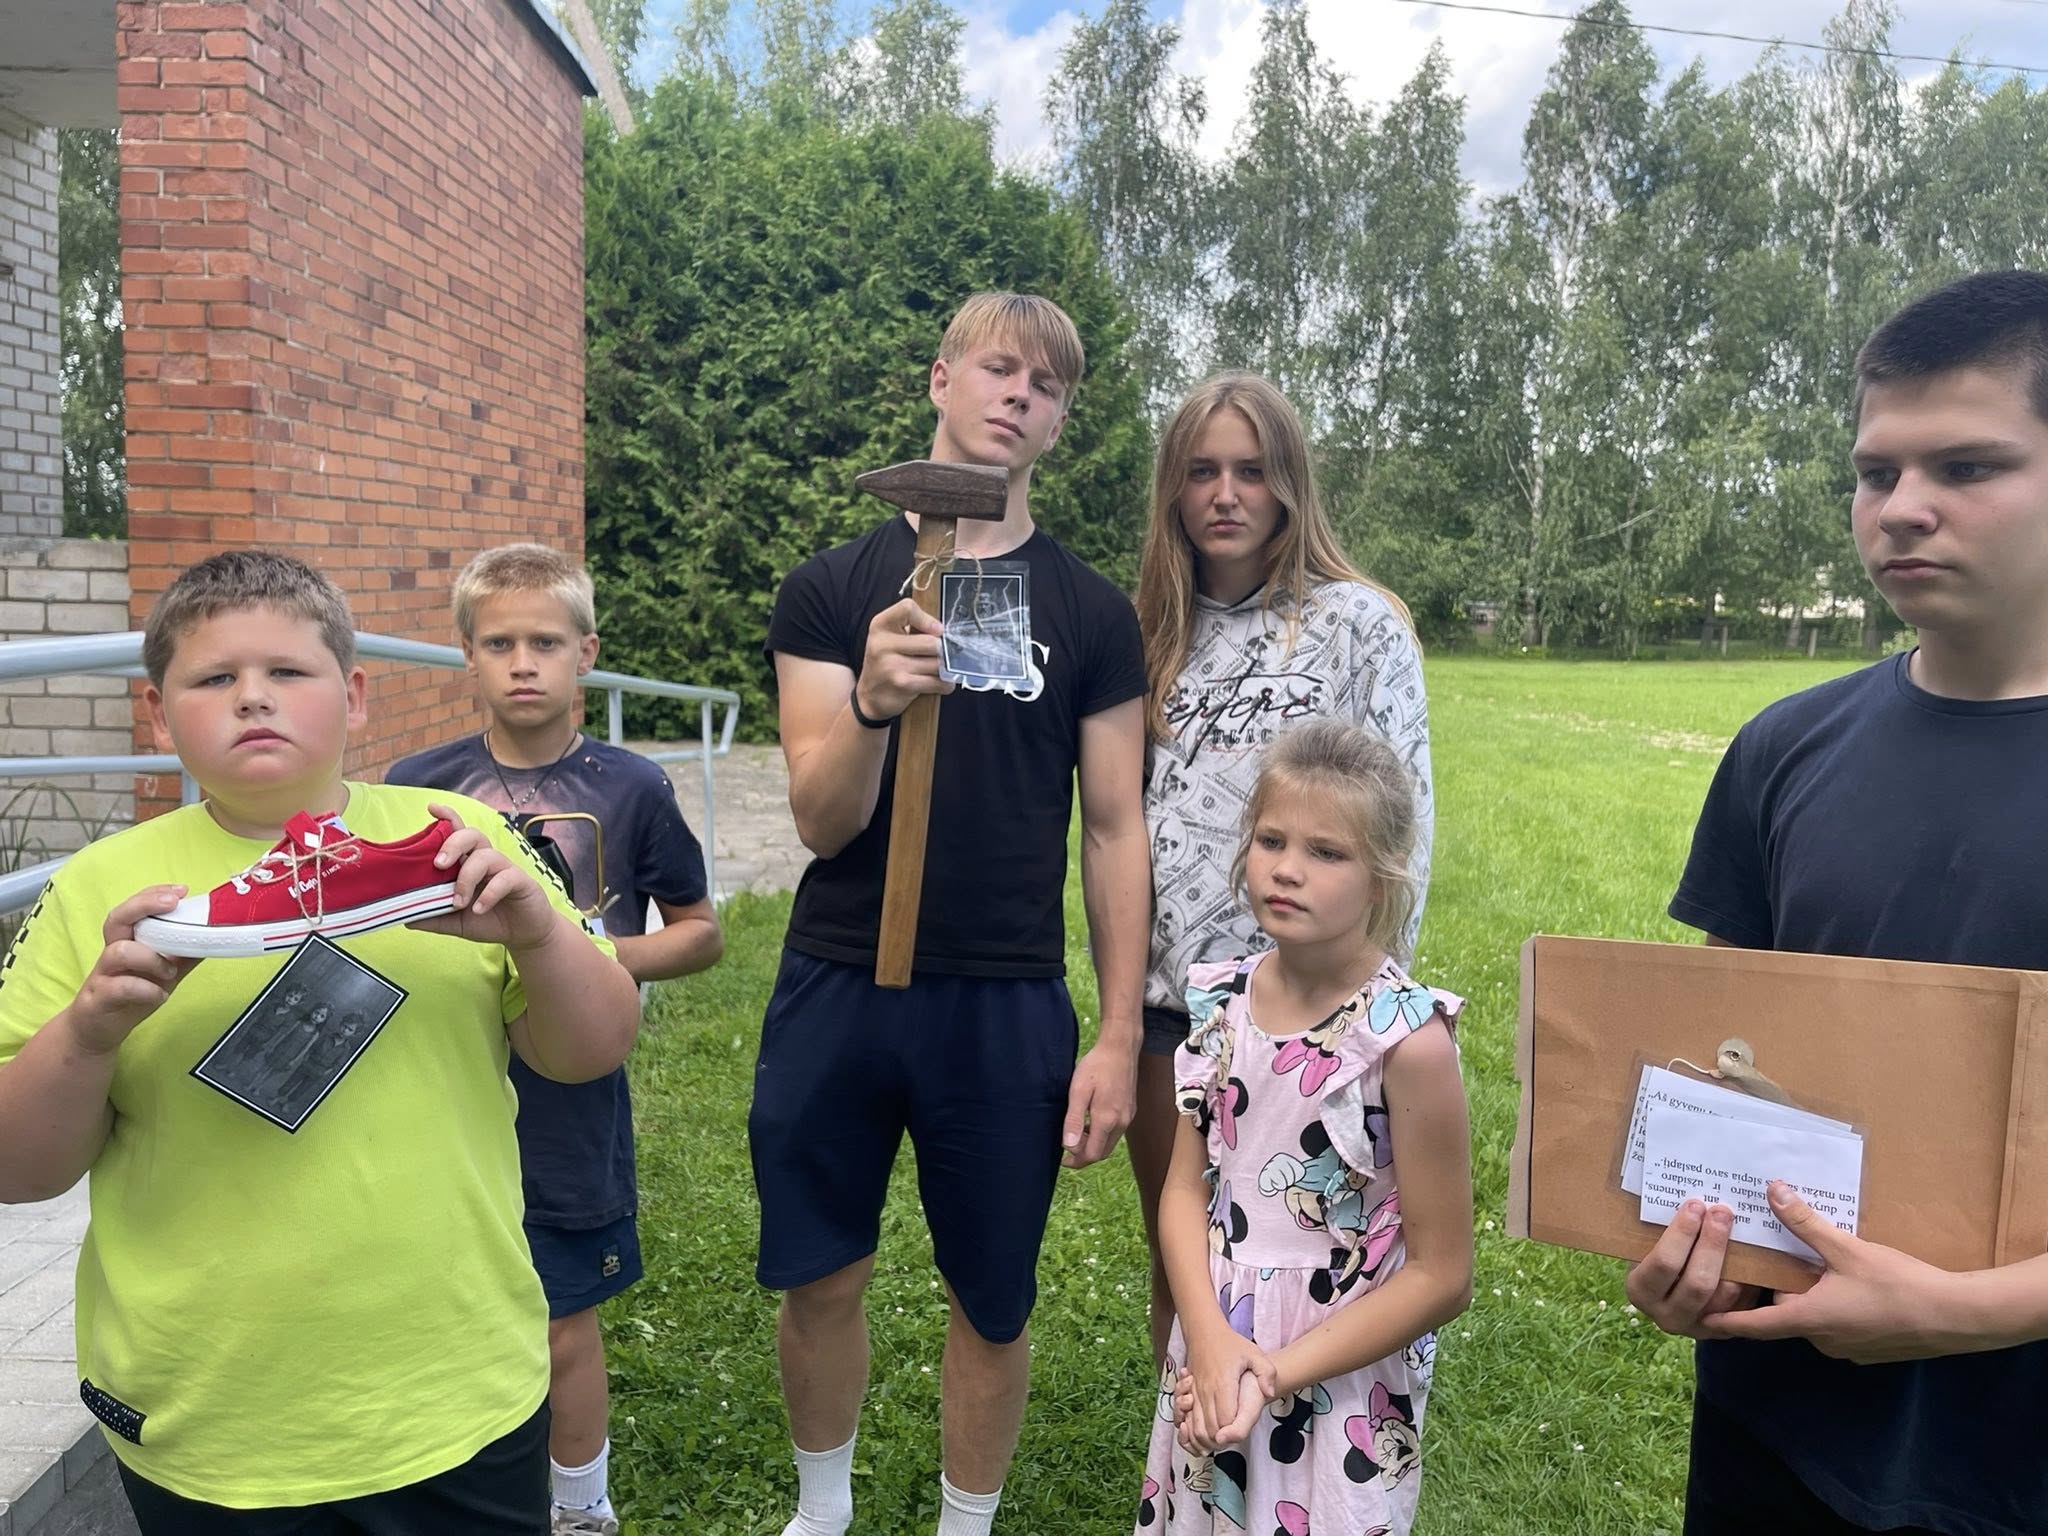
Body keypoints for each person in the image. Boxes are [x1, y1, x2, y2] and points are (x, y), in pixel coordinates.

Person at [0, 550, 642, 1534]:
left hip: (459, 1382)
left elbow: (592, 1048)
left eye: (287, 671)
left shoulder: (460, 838)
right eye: (215, 677)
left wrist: (537, 932)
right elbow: (19, 1169)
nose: (252, 697)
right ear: (158, 715)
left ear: (355, 695)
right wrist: (89, 1031)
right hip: (207, 1409)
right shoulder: (96, 887)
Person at [1632, 268, 2048, 1535]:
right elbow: (1722, 1075)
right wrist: (1687, 1252)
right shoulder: (1783, 746)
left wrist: (1971, 1310)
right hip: (1776, 1427)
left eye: (1965, 466)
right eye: (1875, 473)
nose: (1901, 508)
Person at [752, 292, 1150, 1536]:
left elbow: (1113, 827)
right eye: (997, 368)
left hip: (1003, 997)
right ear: (940, 379)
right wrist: (870, 705)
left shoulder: (1090, 614)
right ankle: (823, 1511)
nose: (1018, 394)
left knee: (992, 1297)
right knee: (822, 1274)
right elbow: (819, 821)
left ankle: (963, 1526)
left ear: (1059, 421)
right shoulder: (830, 590)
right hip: (839, 979)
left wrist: (1118, 1034)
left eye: (1046, 384)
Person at [388, 542, 723, 1536]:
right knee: (444, 1302)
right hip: (447, 1080)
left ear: (587, 653)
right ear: (466, 655)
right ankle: (443, 1479)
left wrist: (585, 960)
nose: (522, 663)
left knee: (560, 1316)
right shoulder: (417, 786)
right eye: (499, 644)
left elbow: (699, 933)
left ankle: (581, 1509)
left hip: (569, 1091)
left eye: (544, 642)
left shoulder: (634, 786)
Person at [1129, 371, 1434, 1363]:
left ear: (1290, 483)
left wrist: (1371, 1019)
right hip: (1176, 1014)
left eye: (1252, 471)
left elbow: (1403, 829)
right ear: (1172, 490)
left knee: (1318, 1261)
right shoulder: (1148, 636)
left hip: (1316, 1018)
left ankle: (1311, 1442)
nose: (1226, 494)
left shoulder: (1359, 625)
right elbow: (1115, 827)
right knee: (1184, 1260)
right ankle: (1192, 1433)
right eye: (1201, 471)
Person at [1138, 719, 1471, 1535]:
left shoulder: (1406, 1043)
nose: (1287, 869)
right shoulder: (1221, 1005)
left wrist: (1272, 1373)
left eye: (1327, 852)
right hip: (1216, 1339)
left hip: (1336, 1372)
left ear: (1383, 877)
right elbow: (1184, 1192)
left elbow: (1443, 1275)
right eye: (1271, 840)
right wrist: (1208, 1340)